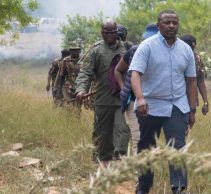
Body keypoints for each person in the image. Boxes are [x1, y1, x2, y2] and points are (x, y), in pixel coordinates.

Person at [129, 10, 198, 194]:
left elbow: (191, 81)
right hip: (150, 106)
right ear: (159, 26)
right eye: (167, 23)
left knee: (177, 147)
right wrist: (140, 98)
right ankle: (143, 190)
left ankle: (179, 192)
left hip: (177, 105)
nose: (171, 26)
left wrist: (192, 110)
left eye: (174, 22)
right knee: (147, 147)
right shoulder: (147, 47)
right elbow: (135, 74)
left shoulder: (185, 50)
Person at [74, 20, 128, 163]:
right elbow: (85, 73)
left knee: (122, 130)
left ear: (117, 32)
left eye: (112, 32)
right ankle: (100, 162)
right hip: (103, 99)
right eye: (106, 32)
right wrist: (80, 90)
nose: (109, 35)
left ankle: (119, 159)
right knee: (101, 133)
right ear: (101, 33)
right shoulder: (96, 50)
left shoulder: (127, 49)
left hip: (122, 99)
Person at [114, 23, 158, 155]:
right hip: (133, 101)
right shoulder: (134, 50)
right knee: (138, 138)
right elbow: (118, 70)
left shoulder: (167, 54)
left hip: (155, 102)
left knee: (149, 139)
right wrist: (123, 89)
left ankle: (141, 167)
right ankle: (138, 173)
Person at [180, 34, 210, 116]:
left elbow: (200, 81)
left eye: (192, 48)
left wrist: (206, 102)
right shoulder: (175, 57)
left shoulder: (197, 58)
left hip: (191, 97)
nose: (190, 50)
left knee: (188, 122)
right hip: (176, 96)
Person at [57, 43, 82, 109]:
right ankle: (68, 119)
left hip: (80, 87)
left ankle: (76, 119)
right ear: (70, 51)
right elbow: (62, 75)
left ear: (80, 51)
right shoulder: (65, 60)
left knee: (78, 107)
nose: (74, 52)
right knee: (69, 106)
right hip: (68, 87)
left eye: (76, 50)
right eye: (72, 50)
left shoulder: (84, 60)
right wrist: (59, 90)